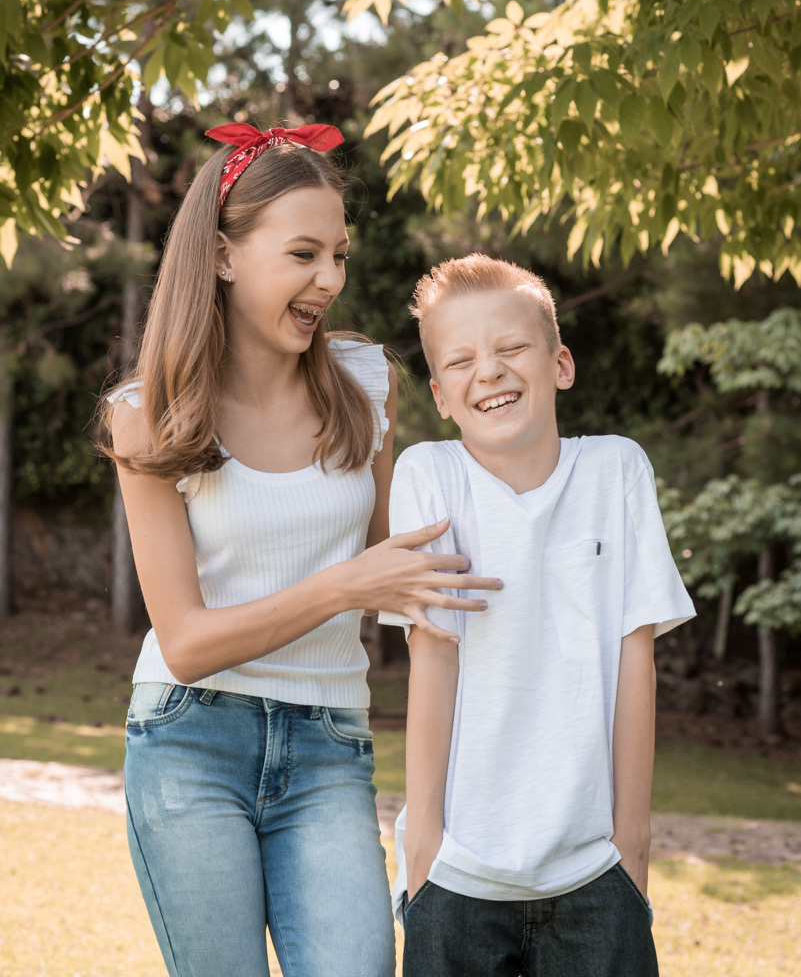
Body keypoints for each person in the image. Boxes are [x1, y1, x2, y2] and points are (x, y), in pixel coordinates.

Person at [100, 123, 501, 977]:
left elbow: (411, 564)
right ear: (221, 256)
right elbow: (187, 641)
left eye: (340, 255)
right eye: (305, 254)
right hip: (187, 738)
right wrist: (346, 586)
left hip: (328, 741)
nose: (331, 280)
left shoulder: (364, 380)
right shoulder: (148, 414)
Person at [378, 253, 696, 977]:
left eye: (510, 348)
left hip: (594, 875)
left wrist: (630, 848)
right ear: (440, 396)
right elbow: (433, 659)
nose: (487, 370)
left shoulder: (616, 471)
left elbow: (633, 658)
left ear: (559, 364)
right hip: (458, 877)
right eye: (460, 361)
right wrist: (424, 850)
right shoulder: (429, 476)